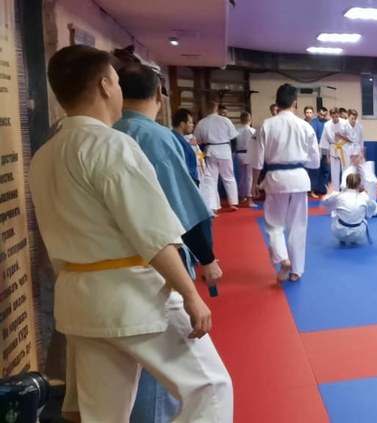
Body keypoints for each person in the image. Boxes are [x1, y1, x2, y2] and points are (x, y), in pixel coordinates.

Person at [31, 44, 231, 422]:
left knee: (102, 414)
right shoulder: (110, 144)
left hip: (78, 299)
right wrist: (190, 294)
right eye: (116, 81)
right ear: (106, 85)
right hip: (134, 295)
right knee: (211, 388)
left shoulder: (45, 154)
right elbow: (152, 231)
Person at [113, 63, 229, 422]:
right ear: (159, 97)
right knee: (167, 371)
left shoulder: (106, 132)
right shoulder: (156, 137)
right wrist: (207, 258)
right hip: (156, 268)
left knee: (121, 376)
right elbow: (182, 207)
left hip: (105, 274)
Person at [249, 83, 320, 283]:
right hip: (299, 178)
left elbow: (257, 160)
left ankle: (283, 259)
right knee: (298, 226)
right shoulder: (306, 126)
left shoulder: (266, 125)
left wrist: (254, 183)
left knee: (274, 224)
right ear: (295, 103)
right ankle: (296, 270)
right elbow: (315, 162)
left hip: (275, 179)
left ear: (276, 103)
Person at [193, 102, 240, 212]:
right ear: (216, 109)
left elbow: (197, 140)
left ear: (206, 109)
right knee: (229, 177)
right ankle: (233, 202)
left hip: (210, 151)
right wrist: (233, 151)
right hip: (225, 151)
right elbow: (234, 137)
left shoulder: (202, 122)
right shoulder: (225, 120)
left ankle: (214, 206)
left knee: (212, 179)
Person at [321, 174, 377, 246]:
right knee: (363, 218)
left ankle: (342, 239)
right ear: (359, 184)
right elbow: (371, 209)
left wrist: (328, 194)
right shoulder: (364, 196)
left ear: (346, 184)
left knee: (336, 215)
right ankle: (354, 240)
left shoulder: (339, 196)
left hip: (339, 232)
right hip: (358, 234)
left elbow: (325, 202)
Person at [323, 107, 352, 188]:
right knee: (334, 173)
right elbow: (325, 141)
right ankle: (335, 191)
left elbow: (351, 138)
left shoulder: (345, 123)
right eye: (333, 117)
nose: (335, 118)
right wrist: (327, 156)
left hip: (344, 148)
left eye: (336, 116)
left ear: (339, 115)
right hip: (334, 148)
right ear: (330, 116)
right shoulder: (327, 125)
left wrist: (341, 135)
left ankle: (346, 190)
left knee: (346, 171)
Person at [170, 108, 199, 186]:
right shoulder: (177, 141)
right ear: (182, 124)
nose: (192, 125)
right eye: (190, 122)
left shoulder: (176, 139)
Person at [234, 111, 256, 207]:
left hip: (239, 154)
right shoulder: (253, 131)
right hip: (249, 154)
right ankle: (250, 199)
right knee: (249, 177)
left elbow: (233, 144)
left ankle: (242, 197)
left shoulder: (236, 131)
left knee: (242, 177)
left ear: (241, 120)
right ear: (250, 120)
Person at [311, 106, 330, 195]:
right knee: (315, 171)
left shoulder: (327, 123)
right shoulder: (313, 122)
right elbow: (313, 138)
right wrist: (318, 151)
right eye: (321, 114)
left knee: (326, 170)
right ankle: (313, 190)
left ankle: (323, 190)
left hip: (326, 150)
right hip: (315, 150)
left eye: (324, 115)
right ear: (318, 113)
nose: (322, 116)